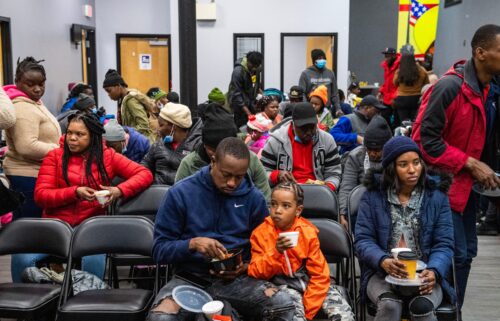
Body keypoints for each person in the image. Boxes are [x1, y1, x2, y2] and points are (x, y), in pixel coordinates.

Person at [148, 137, 294, 321]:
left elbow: (266, 250)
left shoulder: (253, 198)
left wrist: (245, 267)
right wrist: (192, 244)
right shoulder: (181, 193)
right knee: (160, 318)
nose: (232, 183)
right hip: (189, 278)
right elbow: (159, 250)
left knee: (283, 304)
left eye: (239, 177)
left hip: (237, 280)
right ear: (213, 161)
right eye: (226, 175)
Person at [412, 24, 500, 308]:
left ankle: (452, 311)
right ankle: (442, 312)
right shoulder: (449, 86)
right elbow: (425, 141)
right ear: (481, 52)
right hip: (442, 188)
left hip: (467, 189)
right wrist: (471, 164)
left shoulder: (489, 89)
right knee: (454, 255)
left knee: (467, 253)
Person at [10, 112, 153, 283]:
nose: (72, 138)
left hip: (90, 229)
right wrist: (74, 192)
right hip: (56, 228)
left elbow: (144, 174)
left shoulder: (107, 156)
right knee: (22, 258)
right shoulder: (55, 157)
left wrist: (118, 191)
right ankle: (26, 305)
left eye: (80, 134)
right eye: (69, 132)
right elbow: (41, 196)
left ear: (93, 136)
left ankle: (87, 303)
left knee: (92, 259)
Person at [355, 136, 455, 321]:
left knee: (422, 307)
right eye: (403, 165)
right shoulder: (373, 197)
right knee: (390, 305)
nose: (412, 170)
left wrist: (434, 270)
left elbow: (444, 243)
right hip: (382, 274)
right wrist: (382, 260)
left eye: (416, 163)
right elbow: (363, 240)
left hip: (424, 275)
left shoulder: (436, 198)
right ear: (392, 169)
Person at [249, 181, 355, 321]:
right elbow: (255, 272)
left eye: (285, 206)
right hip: (282, 287)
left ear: (298, 211)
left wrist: (308, 309)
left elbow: (320, 275)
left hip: (312, 284)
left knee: (345, 315)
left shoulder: (307, 232)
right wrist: (276, 252)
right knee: (291, 314)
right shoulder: (260, 234)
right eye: (273, 204)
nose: (278, 210)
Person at [3, 57, 61, 221]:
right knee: (30, 232)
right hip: (26, 178)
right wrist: (62, 151)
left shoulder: (33, 102)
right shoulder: (22, 107)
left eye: (41, 84)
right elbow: (27, 146)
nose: (37, 89)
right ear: (17, 82)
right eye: (30, 84)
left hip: (36, 175)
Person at [175, 104, 271, 201]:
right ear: (204, 144)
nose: (218, 154)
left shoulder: (250, 160)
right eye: (212, 150)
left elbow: (265, 200)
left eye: (238, 177)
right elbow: (178, 201)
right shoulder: (189, 164)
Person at [260, 102, 342, 191]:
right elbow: (262, 174)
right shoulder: (275, 141)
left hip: (319, 192)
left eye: (312, 127)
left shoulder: (327, 140)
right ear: (293, 124)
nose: (309, 132)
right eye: (303, 128)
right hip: (284, 193)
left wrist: (327, 188)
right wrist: (277, 175)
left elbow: (334, 173)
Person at [338, 115, 392, 231]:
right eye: (369, 149)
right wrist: (343, 213)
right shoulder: (355, 156)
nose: (372, 154)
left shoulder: (395, 157)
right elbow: (347, 186)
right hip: (362, 208)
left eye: (377, 150)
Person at [141, 102, 202, 185]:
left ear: (174, 127)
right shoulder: (158, 145)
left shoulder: (198, 146)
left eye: (161, 125)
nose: (157, 129)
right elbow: (144, 167)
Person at [102, 69, 156, 143]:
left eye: (109, 90)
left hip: (142, 144)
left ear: (118, 86)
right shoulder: (123, 100)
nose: (108, 94)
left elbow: (143, 125)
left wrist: (125, 131)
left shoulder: (131, 101)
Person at [393, 44, 430, 126]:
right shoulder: (421, 70)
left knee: (403, 124)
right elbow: (427, 84)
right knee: (414, 123)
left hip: (401, 99)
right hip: (416, 99)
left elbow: (394, 83)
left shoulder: (399, 71)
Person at [227, 51, 263, 129]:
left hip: (249, 100)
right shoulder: (238, 72)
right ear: (247, 61)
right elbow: (236, 94)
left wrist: (261, 94)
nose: (254, 68)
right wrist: (248, 113)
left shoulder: (257, 69)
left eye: (256, 66)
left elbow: (256, 84)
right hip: (238, 104)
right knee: (241, 127)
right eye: (253, 65)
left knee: (252, 126)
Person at [299, 49, 340, 114]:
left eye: (324, 58)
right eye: (319, 58)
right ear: (314, 61)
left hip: (326, 111)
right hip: (311, 110)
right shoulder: (305, 74)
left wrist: (338, 108)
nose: (322, 60)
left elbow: (334, 94)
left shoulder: (330, 73)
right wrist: (306, 108)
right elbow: (302, 93)